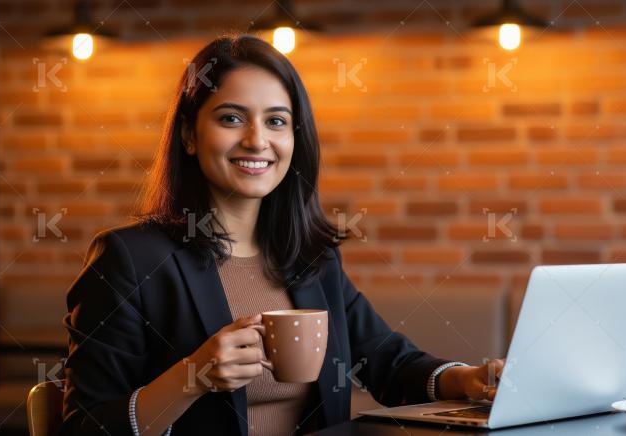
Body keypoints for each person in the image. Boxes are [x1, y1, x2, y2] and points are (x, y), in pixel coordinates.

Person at [61, 34, 504, 436]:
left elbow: (388, 361)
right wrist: (191, 377)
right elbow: (84, 427)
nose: (257, 141)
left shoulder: (312, 259)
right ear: (189, 136)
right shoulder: (129, 259)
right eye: (231, 118)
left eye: (276, 121)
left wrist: (466, 378)